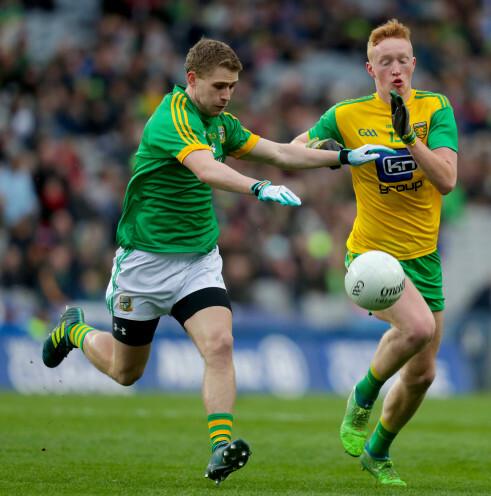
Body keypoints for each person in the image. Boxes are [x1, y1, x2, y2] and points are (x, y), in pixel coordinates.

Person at [41, 38, 392, 485]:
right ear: (192, 81)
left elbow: (281, 151)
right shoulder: (171, 118)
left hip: (197, 262)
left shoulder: (221, 123)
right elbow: (207, 170)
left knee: (220, 344)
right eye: (219, 86)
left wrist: (343, 157)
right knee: (125, 372)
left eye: (232, 87)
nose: (227, 95)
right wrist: (259, 188)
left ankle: (221, 446)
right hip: (144, 265)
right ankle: (72, 329)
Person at [293, 19, 458, 486]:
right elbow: (295, 149)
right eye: (385, 61)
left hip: (423, 258)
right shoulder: (346, 115)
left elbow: (446, 180)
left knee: (423, 374)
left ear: (413, 64)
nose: (396, 69)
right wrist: (329, 152)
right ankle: (362, 396)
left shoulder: (435, 108)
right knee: (419, 326)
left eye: (403, 59)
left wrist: (410, 138)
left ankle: (377, 451)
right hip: (371, 257)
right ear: (371, 68)